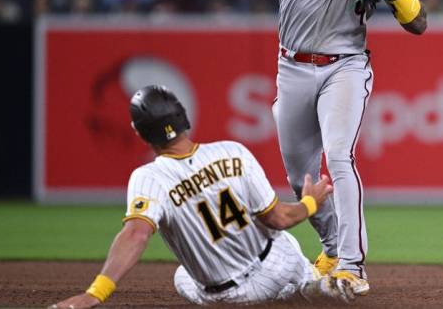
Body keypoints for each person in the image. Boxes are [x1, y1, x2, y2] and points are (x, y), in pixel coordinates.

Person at [154, 0, 428, 294]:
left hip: (346, 65)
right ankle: (333, 248)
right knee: (301, 178)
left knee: (339, 157)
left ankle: (352, 266)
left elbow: (418, 23)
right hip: (293, 67)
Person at [49, 85, 355, 308]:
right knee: (279, 241)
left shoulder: (148, 178)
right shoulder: (233, 152)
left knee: (183, 277)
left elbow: (136, 235)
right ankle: (311, 285)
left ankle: (297, 291)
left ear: (141, 133)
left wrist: (95, 293)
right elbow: (279, 219)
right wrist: (311, 201)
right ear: (183, 118)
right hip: (278, 265)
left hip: (228, 296)